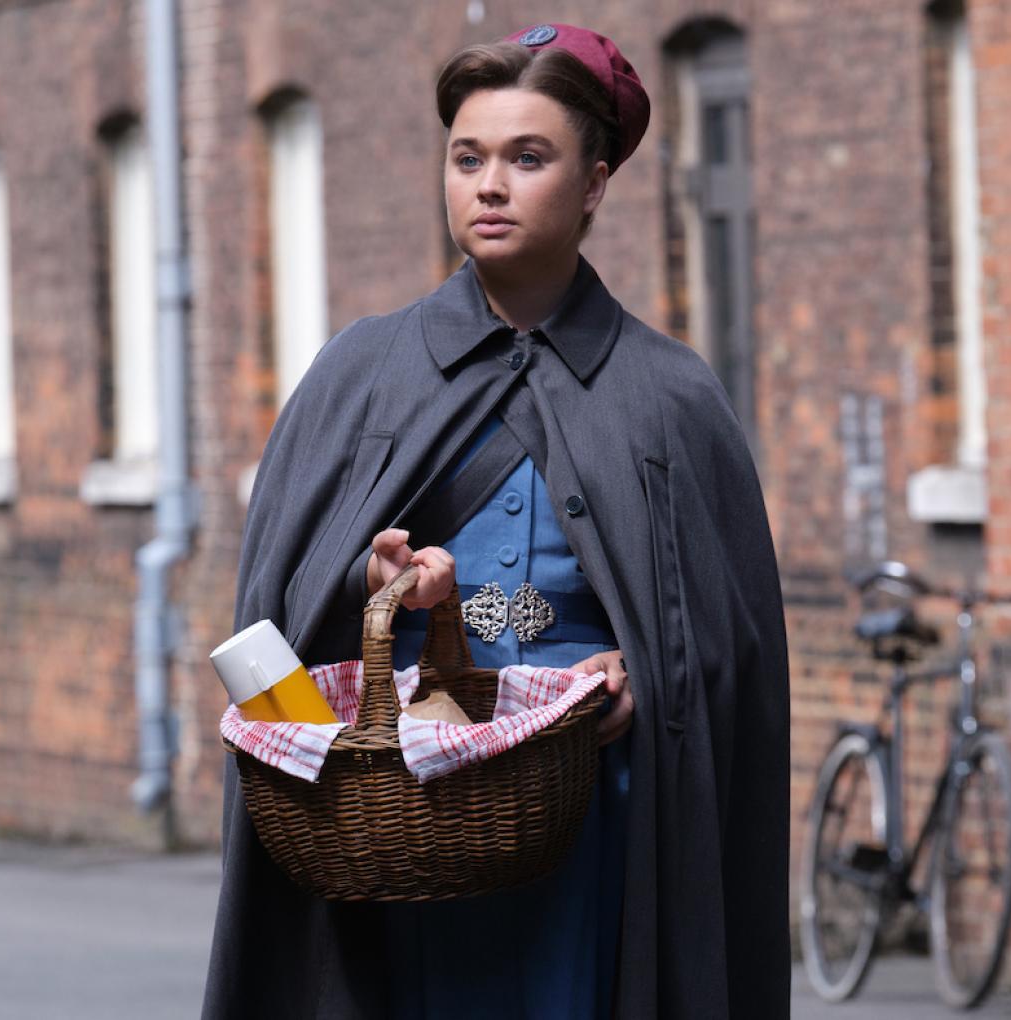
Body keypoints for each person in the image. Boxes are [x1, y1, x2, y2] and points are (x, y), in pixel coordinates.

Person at [202, 23, 789, 1020]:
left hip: (589, 823)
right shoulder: (363, 371)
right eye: (467, 157)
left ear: (596, 182)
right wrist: (374, 584)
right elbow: (283, 601)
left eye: (529, 158)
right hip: (405, 815)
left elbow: (732, 641)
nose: (489, 185)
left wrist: (646, 671)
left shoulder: (667, 395)